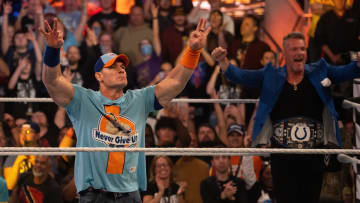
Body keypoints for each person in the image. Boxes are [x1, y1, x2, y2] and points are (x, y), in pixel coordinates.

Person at [40, 16, 210, 202]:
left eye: (122, 66)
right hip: (94, 194)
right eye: (113, 67)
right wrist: (52, 50)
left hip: (129, 194)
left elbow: (176, 82)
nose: (121, 70)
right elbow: (52, 81)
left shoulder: (139, 99)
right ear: (99, 76)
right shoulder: (83, 99)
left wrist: (193, 51)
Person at [211, 32, 360, 203]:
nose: (299, 53)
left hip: (314, 153)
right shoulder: (271, 74)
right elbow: (241, 76)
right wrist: (223, 61)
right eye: (294, 49)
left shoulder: (320, 70)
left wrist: (358, 63)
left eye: (302, 49)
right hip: (282, 155)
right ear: (284, 54)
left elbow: (346, 72)